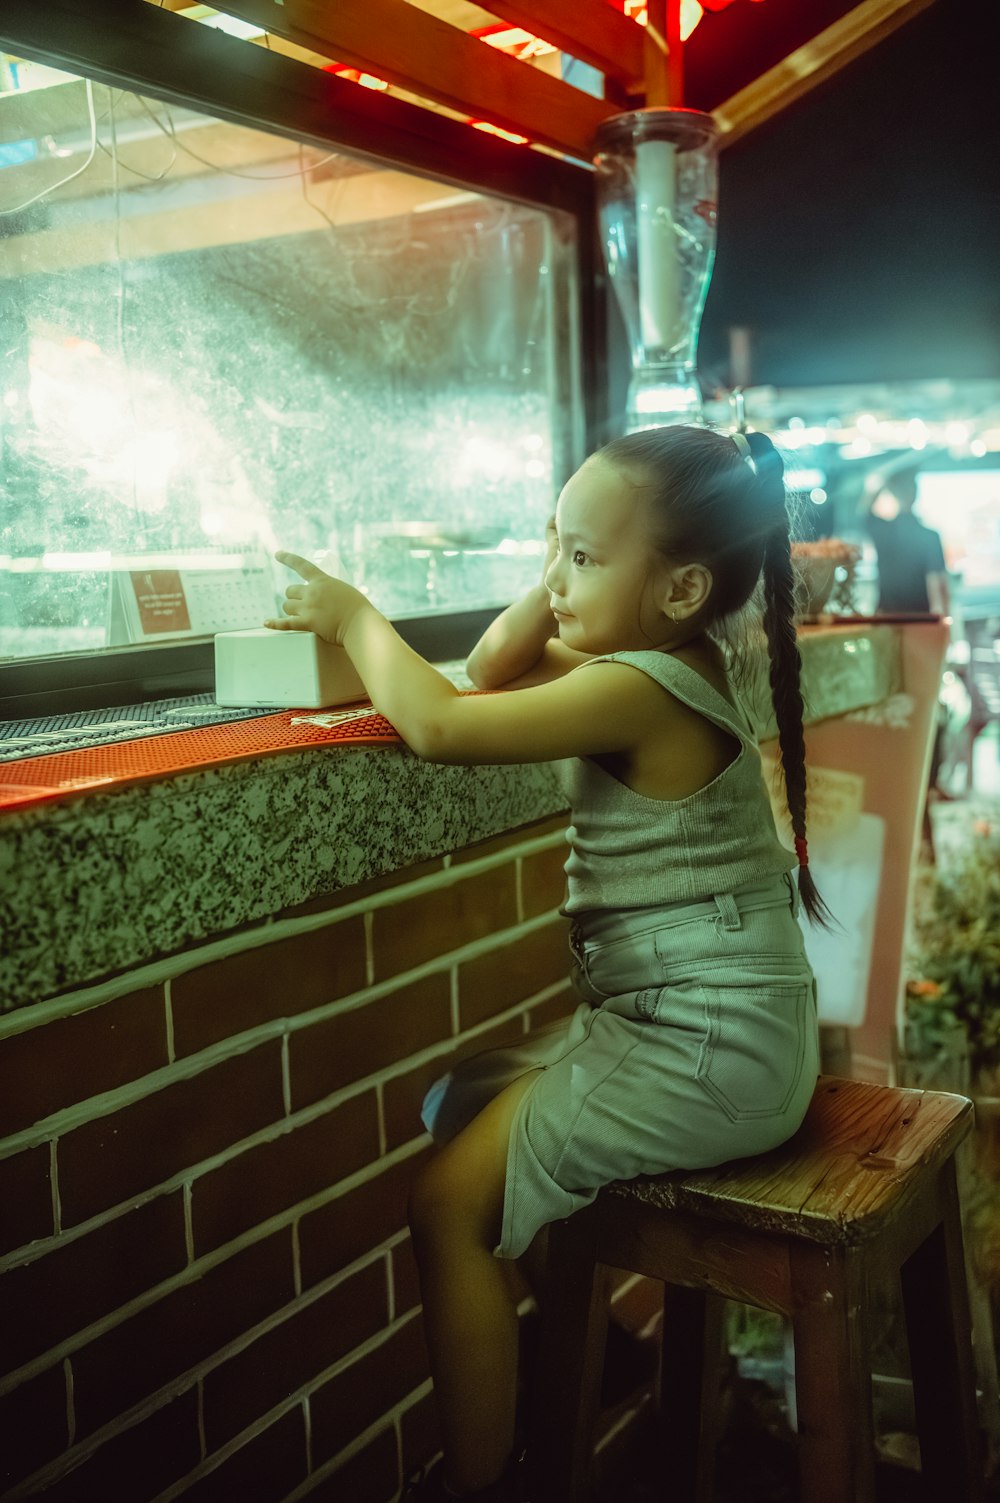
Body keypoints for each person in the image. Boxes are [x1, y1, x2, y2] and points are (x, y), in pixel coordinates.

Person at [266, 425, 826, 1503]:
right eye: (553, 546)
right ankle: (611, 1356)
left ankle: (479, 1484)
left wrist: (350, 613)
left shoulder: (645, 687)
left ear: (680, 589)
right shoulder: (668, 659)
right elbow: (491, 666)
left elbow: (435, 720)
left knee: (444, 1207)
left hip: (707, 1048)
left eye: (582, 557)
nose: (555, 576)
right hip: (707, 1029)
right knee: (460, 1100)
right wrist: (567, 558)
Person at [866, 468, 950, 615]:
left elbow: (864, 512)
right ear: (916, 492)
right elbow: (940, 585)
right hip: (919, 618)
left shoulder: (882, 531)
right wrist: (945, 623)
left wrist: (883, 483)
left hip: (886, 616)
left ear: (892, 492)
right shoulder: (930, 536)